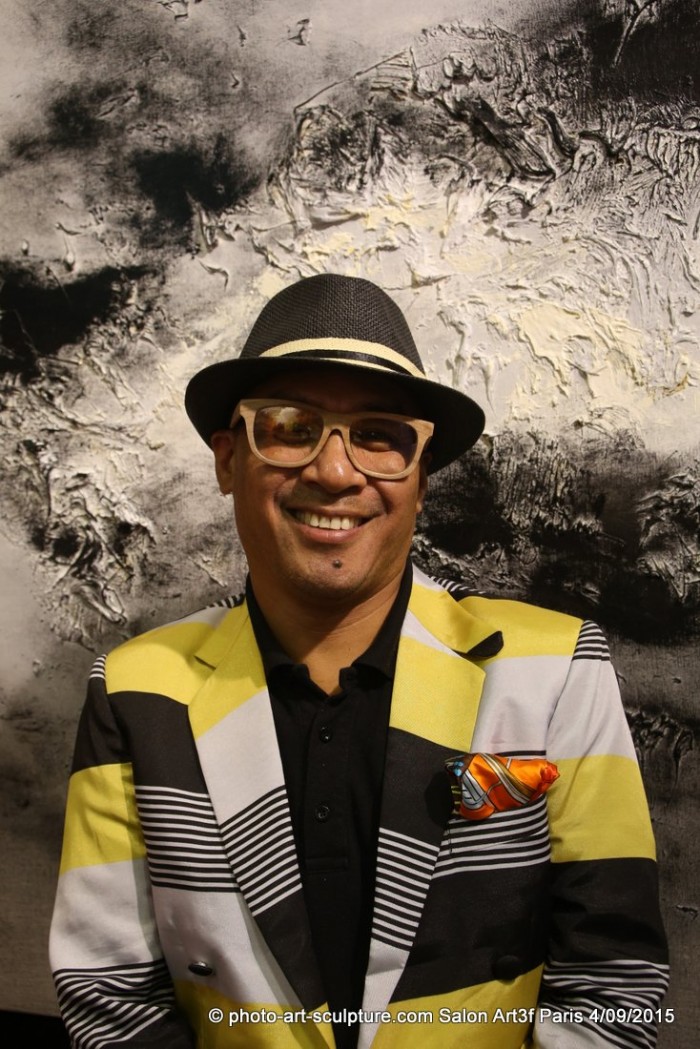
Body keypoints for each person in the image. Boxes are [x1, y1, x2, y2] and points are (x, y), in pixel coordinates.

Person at [50, 274, 669, 1049]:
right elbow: (111, 994)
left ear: (420, 476)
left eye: (378, 435)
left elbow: (614, 985)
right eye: (288, 426)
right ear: (227, 460)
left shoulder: (556, 671)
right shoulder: (134, 692)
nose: (335, 471)